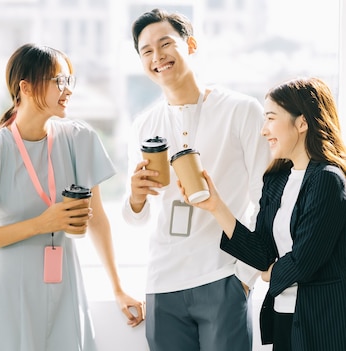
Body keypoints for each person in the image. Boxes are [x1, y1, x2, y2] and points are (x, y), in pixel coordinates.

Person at [0, 43, 143, 351]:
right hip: (11, 287)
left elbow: (97, 221)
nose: (67, 90)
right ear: (25, 87)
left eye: (70, 81)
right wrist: (41, 224)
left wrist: (118, 289)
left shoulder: (80, 139)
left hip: (65, 282)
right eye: (59, 81)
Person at [122, 8, 271, 351]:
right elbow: (136, 217)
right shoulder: (143, 125)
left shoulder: (241, 110)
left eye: (165, 44)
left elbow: (265, 200)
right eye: (146, 51)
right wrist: (135, 197)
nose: (157, 57)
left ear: (190, 44)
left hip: (222, 276)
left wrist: (245, 278)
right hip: (162, 282)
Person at [182, 77, 346, 351]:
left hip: (321, 320)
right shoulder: (277, 179)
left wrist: (270, 274)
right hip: (282, 314)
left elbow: (304, 261)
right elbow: (262, 253)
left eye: (270, 118)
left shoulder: (328, 180)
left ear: (302, 123)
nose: (263, 130)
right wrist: (215, 205)